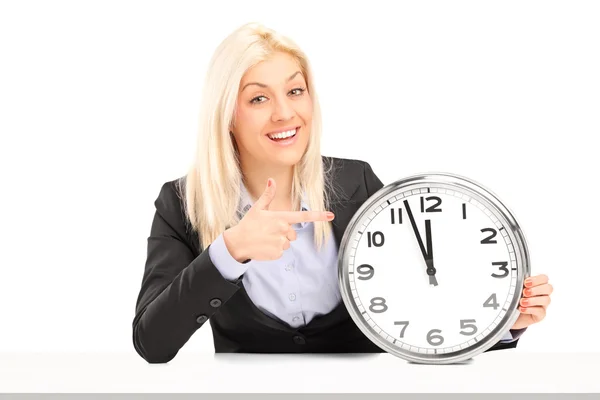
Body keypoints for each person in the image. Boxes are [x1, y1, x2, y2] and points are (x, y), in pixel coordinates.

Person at [132, 22, 552, 363]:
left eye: (295, 91)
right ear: (225, 114)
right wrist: (229, 251)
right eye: (258, 98)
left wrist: (504, 324)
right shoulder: (182, 204)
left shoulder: (357, 185)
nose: (285, 112)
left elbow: (421, 303)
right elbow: (152, 343)